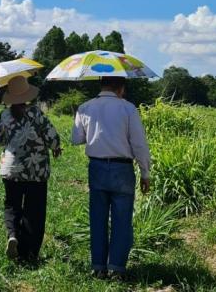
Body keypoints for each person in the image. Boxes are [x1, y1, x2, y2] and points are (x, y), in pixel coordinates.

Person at [70, 76, 152, 280]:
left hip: (97, 167)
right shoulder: (128, 108)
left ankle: (98, 267)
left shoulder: (85, 107)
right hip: (122, 168)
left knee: (97, 219)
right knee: (122, 220)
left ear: (102, 85)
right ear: (121, 88)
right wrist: (145, 172)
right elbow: (139, 144)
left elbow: (76, 139)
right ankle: (116, 268)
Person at [0, 76, 61, 264]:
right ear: (27, 94)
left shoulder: (4, 115)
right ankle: (29, 254)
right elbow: (52, 137)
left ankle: (12, 235)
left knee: (12, 206)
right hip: (36, 170)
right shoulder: (36, 113)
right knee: (35, 211)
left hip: (11, 169)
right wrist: (55, 147)